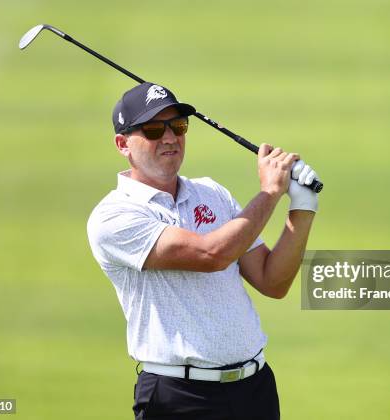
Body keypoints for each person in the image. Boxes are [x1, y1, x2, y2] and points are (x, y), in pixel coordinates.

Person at [87, 82, 319, 420]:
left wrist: (302, 207)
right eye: (153, 130)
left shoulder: (212, 193)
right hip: (180, 397)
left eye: (178, 126)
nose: (169, 138)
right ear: (123, 144)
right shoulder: (114, 216)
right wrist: (270, 192)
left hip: (255, 390)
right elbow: (211, 255)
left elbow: (272, 281)